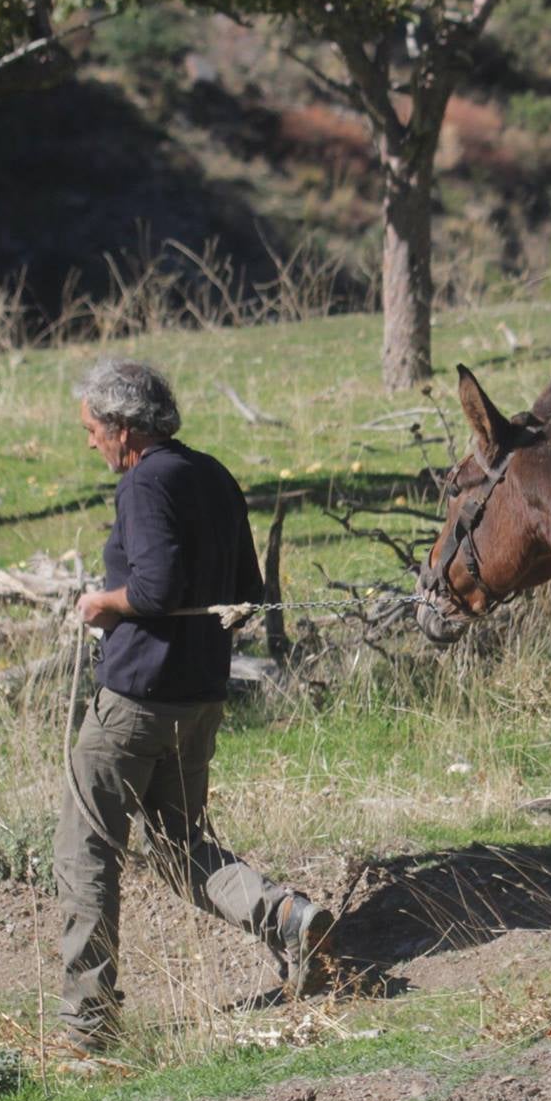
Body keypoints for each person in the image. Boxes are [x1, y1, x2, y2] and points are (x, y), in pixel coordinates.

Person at [55, 358, 334, 1051]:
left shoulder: (144, 484)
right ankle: (290, 917)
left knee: (86, 848)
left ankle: (88, 1026)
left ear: (123, 428)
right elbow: (247, 586)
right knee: (182, 848)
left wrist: (100, 601)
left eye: (93, 429)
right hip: (201, 697)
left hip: (133, 700)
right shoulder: (211, 473)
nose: (91, 442)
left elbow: (153, 587)